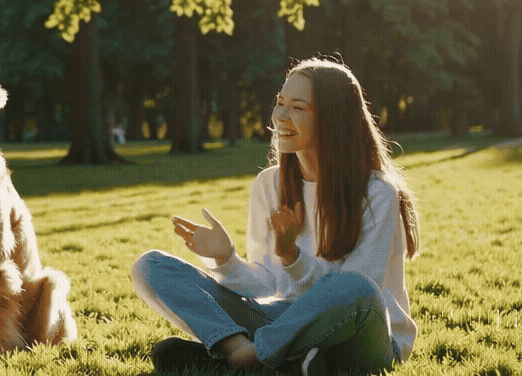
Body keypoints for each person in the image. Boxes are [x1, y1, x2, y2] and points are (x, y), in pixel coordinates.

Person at [131, 57, 419, 375]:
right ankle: (246, 352)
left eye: (297, 107)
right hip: (283, 323)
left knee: (353, 286)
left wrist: (293, 258)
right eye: (280, 103)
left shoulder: (377, 193)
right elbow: (267, 284)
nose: (280, 116)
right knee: (151, 266)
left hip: (363, 338)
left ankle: (252, 358)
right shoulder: (270, 183)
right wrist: (226, 259)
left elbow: (352, 298)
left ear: (333, 118)